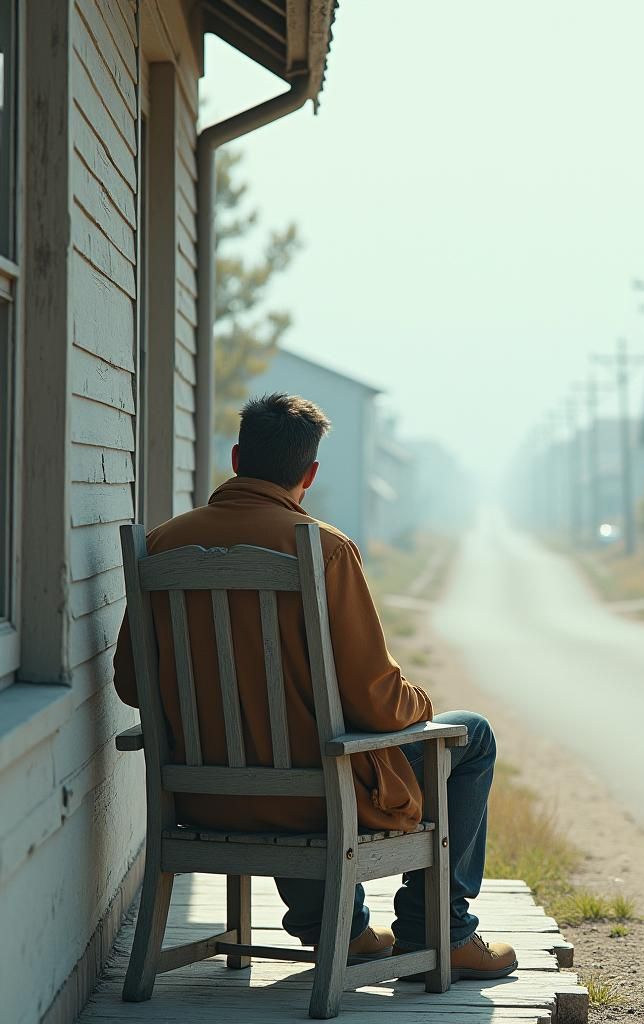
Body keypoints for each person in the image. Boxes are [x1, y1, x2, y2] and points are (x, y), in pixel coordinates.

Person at [112, 392, 516, 980]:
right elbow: (377, 702)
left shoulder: (162, 546)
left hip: (199, 799)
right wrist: (424, 703)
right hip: (312, 801)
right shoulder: (324, 550)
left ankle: (340, 931)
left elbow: (130, 684)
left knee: (299, 745)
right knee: (470, 734)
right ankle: (440, 931)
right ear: (311, 472)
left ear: (236, 457)